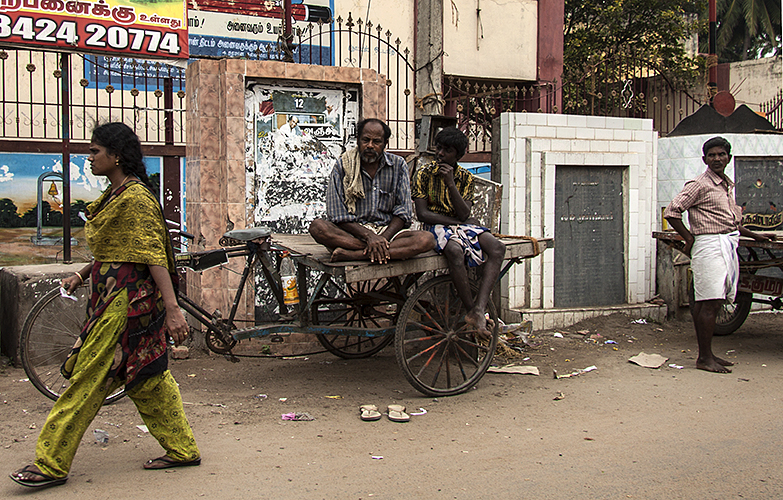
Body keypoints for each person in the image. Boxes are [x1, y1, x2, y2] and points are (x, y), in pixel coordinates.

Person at [10, 122, 200, 489]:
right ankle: (181, 448)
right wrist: (82, 275)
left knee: (88, 378)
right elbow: (115, 249)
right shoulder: (115, 196)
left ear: (116, 156)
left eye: (95, 151)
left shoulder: (136, 199)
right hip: (110, 296)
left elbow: (153, 256)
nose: (89, 156)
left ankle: (50, 462)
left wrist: (174, 309)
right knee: (147, 377)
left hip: (126, 303)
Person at [664, 136, 775, 373]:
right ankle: (704, 358)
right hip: (709, 245)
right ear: (704, 159)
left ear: (728, 157)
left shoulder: (725, 184)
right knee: (709, 302)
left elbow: (728, 221)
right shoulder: (700, 184)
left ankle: (709, 354)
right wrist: (689, 237)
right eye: (712, 155)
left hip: (724, 243)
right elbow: (673, 211)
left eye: (721, 154)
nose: (717, 158)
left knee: (713, 300)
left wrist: (755, 236)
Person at [411, 127, 505, 337]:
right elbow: (423, 214)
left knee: (497, 247)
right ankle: (471, 308)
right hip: (435, 227)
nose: (441, 153)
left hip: (461, 225)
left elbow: (464, 212)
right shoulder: (424, 174)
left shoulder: (465, 178)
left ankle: (479, 309)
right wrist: (457, 222)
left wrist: (451, 183)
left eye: (447, 150)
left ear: (458, 156)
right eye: (439, 148)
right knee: (454, 251)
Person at [309, 118, 434, 263]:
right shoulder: (343, 165)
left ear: (385, 144)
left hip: (388, 233)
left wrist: (382, 239)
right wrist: (369, 237)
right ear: (357, 141)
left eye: (376, 142)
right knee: (317, 227)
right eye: (365, 140)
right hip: (353, 234)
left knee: (427, 239)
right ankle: (371, 249)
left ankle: (356, 254)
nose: (370, 146)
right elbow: (337, 215)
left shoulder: (398, 165)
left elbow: (403, 212)